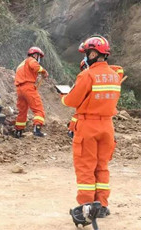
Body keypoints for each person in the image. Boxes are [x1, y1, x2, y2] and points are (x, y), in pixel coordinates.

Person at [62, 35, 121, 225]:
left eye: (87, 53)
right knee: (101, 166)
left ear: (93, 53)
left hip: (89, 126)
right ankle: (101, 205)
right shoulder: (114, 75)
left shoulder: (87, 75)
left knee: (86, 167)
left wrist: (63, 96)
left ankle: (87, 207)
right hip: (107, 126)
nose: (86, 57)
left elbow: (71, 101)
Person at [67, 59, 124, 139]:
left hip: (92, 115)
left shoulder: (91, 75)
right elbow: (119, 69)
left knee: (78, 115)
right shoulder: (109, 76)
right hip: (105, 119)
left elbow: (71, 101)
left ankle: (71, 131)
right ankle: (72, 130)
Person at [14, 46, 49, 138]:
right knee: (38, 109)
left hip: (19, 89)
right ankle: (37, 129)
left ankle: (18, 131)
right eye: (39, 56)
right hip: (28, 87)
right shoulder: (31, 60)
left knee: (22, 110)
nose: (39, 59)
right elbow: (36, 67)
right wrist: (44, 72)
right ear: (35, 55)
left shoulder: (21, 64)